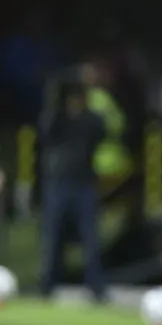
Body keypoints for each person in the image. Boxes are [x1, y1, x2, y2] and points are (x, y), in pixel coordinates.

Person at [38, 77, 108, 302]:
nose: (75, 103)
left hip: (84, 185)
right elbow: (45, 130)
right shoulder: (57, 120)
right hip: (58, 184)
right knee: (53, 238)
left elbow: (102, 132)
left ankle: (96, 287)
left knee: (90, 238)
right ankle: (48, 285)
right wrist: (55, 101)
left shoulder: (90, 120)